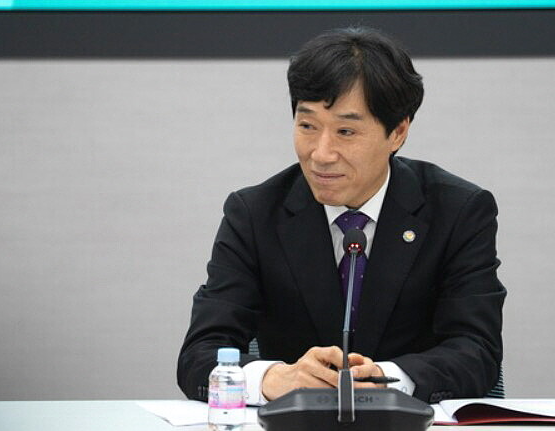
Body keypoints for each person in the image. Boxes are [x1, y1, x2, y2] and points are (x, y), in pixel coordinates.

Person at [177, 26, 505, 405]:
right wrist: (273, 378)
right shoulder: (254, 214)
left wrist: (389, 380)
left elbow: (477, 350)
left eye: (346, 131)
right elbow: (200, 354)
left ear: (398, 132)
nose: (321, 153)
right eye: (307, 126)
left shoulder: (458, 211)